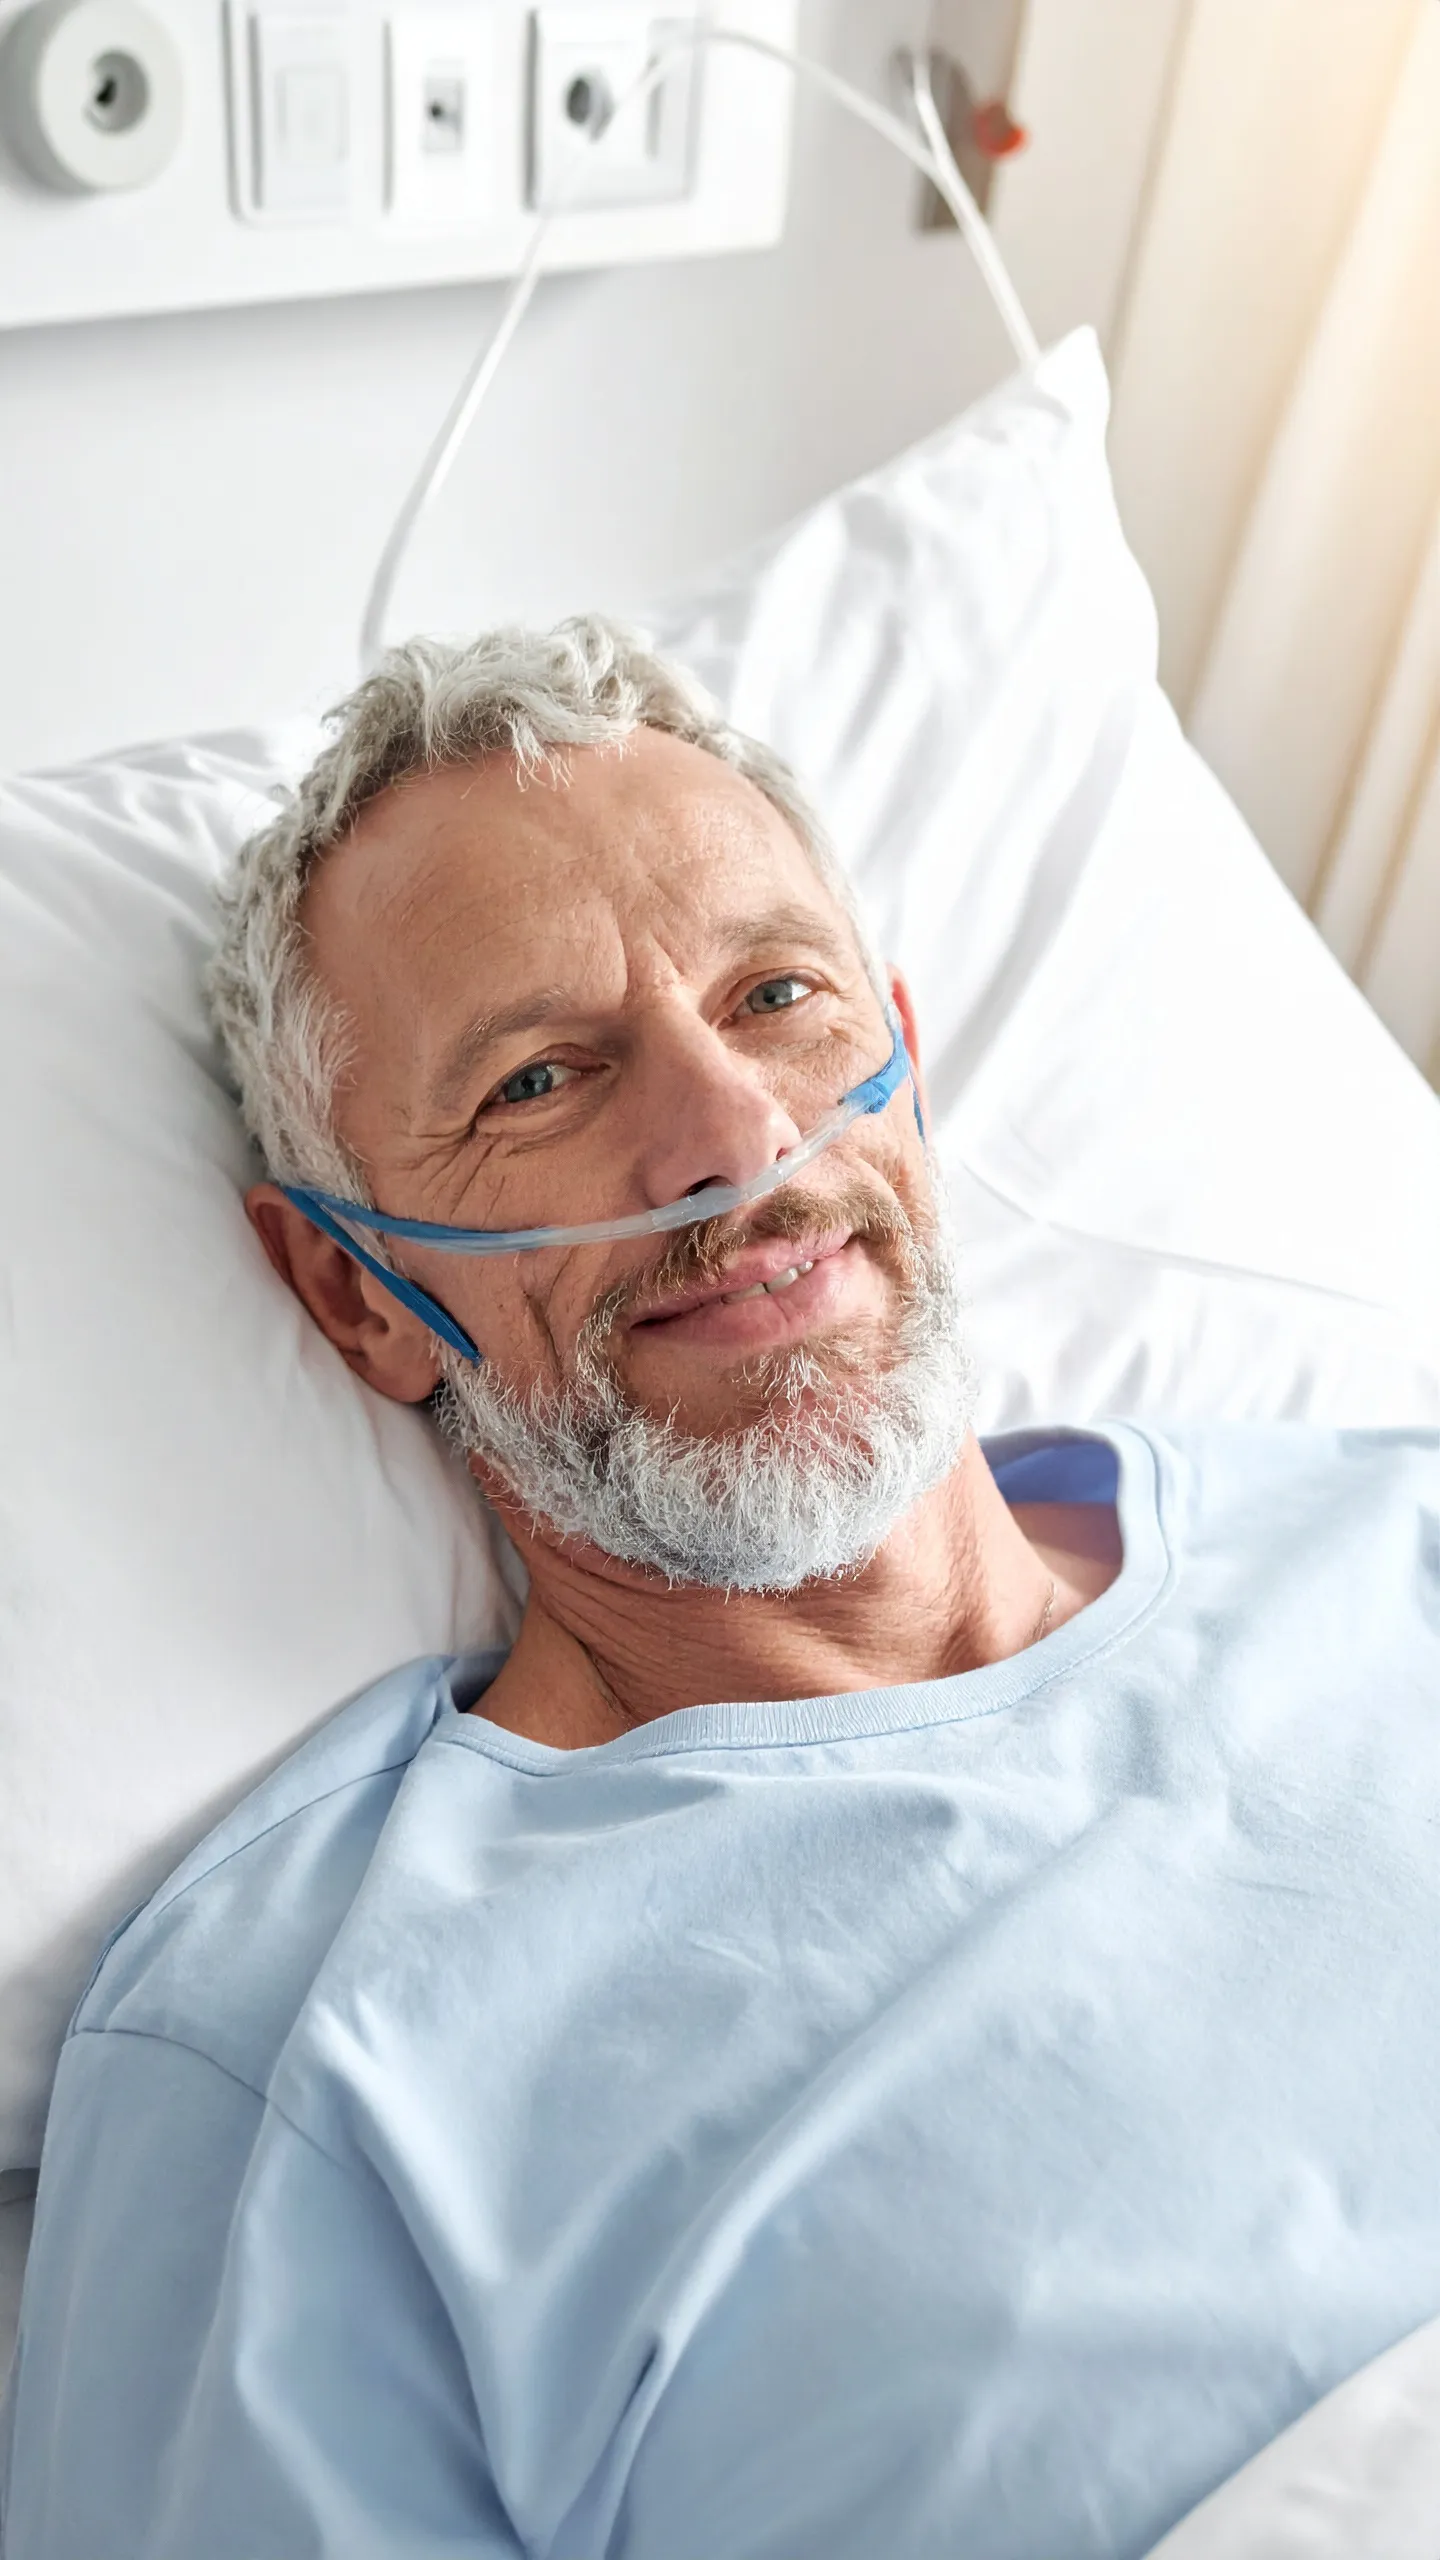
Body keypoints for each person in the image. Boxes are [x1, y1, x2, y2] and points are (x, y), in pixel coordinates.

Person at [4, 617, 1438, 2560]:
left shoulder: (1389, 1535)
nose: (729, 1138)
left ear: (905, 1067)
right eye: (537, 1080)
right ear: (355, 1288)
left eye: (777, 993)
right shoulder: (319, 2060)